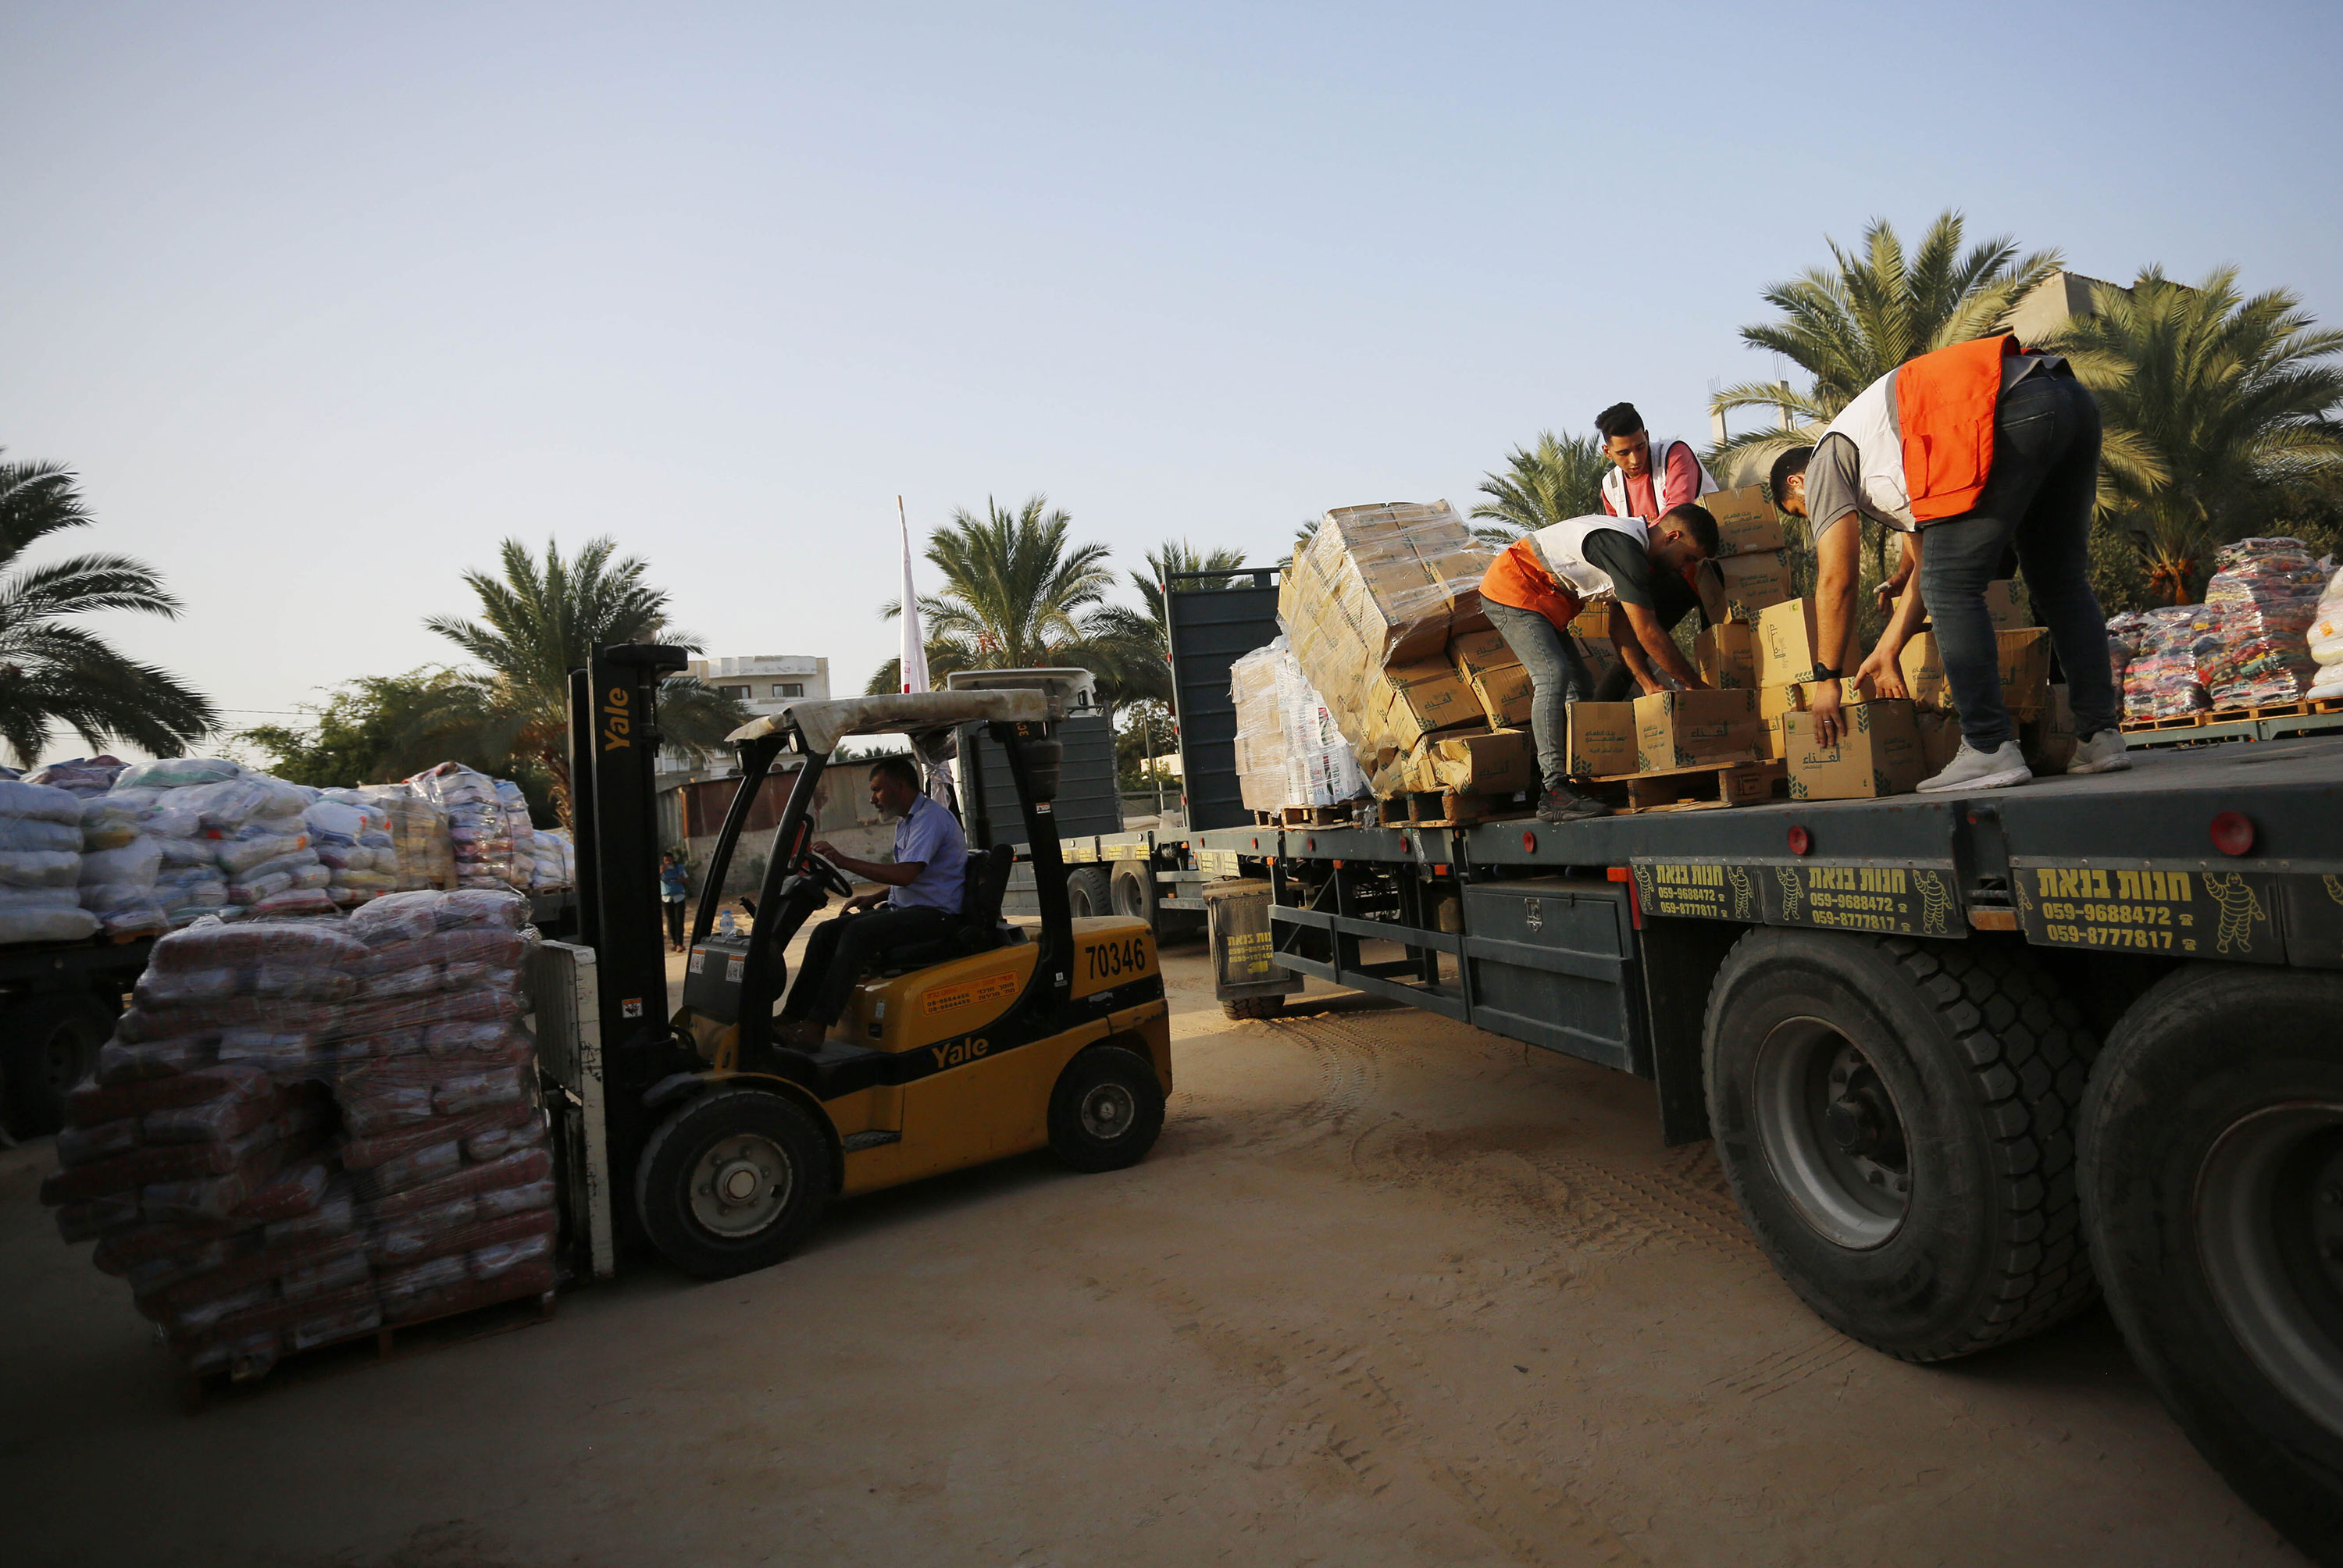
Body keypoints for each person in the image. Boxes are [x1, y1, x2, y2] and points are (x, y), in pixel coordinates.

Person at [1768, 333, 2128, 793]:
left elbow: (1837, 580)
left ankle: (1988, 747)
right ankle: (2101, 737)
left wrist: (1827, 681)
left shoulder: (1824, 461)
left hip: (2004, 408)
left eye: (1805, 511)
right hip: (2066, 398)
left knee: (1957, 588)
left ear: (1798, 483)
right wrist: (1887, 648)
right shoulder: (1890, 451)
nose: (1819, 516)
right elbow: (1926, 572)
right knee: (2059, 582)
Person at [1478, 504, 1722, 823]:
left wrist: (1649, 684)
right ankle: (1553, 792)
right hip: (1514, 587)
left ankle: (1580, 779)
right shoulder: (1624, 549)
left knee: (1580, 691)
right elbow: (1648, 631)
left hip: (1549, 601)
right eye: (1688, 558)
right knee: (1553, 674)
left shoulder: (1640, 557)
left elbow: (1622, 628)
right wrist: (1695, 686)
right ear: (1672, 536)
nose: (1685, 568)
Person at [777, 756, 968, 1045]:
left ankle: (817, 1027)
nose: (872, 798)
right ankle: (793, 1016)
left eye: (877, 790)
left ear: (900, 786)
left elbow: (906, 875)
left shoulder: (930, 819)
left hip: (937, 916)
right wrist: (876, 896)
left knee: (857, 934)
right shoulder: (907, 822)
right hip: (911, 907)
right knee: (825, 932)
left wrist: (843, 861)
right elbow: (919, 879)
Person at [1596, 401, 1717, 522]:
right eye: (1624, 453)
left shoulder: (1674, 454)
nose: (1635, 460)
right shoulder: (1610, 485)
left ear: (1647, 437)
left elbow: (1678, 515)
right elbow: (1617, 533)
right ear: (1607, 452)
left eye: (1640, 447)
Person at [658, 852, 689, 953]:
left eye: (669, 861)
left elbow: (687, 880)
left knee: (679, 920)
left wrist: (682, 880)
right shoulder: (662, 869)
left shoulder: (680, 868)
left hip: (679, 896)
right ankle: (675, 943)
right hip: (667, 897)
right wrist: (661, 872)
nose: (668, 863)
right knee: (671, 921)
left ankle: (680, 943)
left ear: (673, 860)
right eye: (666, 861)